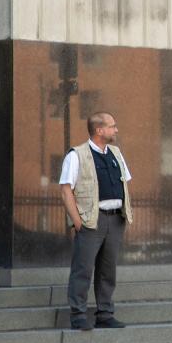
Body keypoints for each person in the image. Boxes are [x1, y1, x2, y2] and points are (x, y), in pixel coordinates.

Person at [60, 112, 133, 331]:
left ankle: (105, 314)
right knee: (82, 269)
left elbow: (125, 183)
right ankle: (78, 315)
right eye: (112, 126)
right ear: (99, 130)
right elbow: (66, 190)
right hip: (91, 221)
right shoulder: (77, 155)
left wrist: (125, 214)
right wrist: (77, 222)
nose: (116, 130)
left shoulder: (116, 153)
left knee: (107, 270)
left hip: (114, 220)